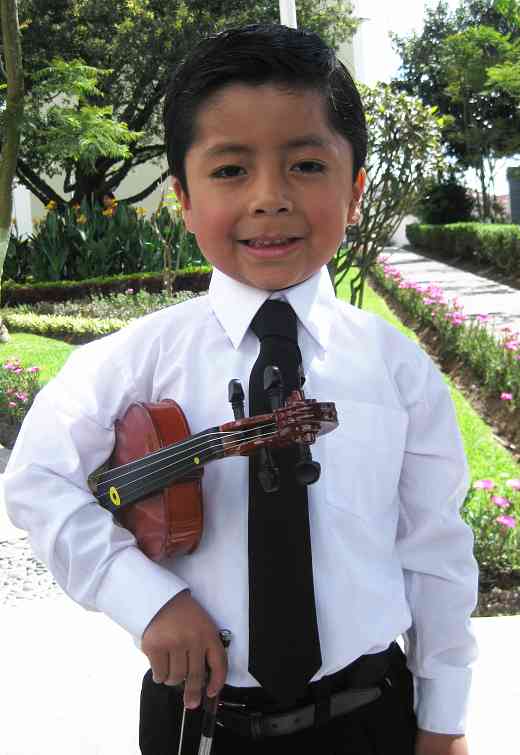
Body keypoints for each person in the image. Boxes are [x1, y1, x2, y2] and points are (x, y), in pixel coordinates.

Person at [4, 23, 478, 755]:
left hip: (369, 713)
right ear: (183, 199)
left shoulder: (397, 367)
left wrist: (444, 718)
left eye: (306, 166)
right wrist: (148, 599)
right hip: (200, 721)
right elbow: (37, 478)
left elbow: (435, 548)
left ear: (355, 192)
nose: (269, 198)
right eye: (229, 170)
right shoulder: (135, 358)